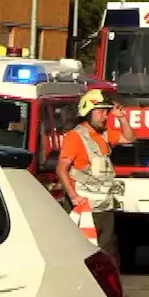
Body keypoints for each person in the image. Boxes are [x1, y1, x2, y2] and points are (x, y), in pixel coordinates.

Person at [56, 88, 135, 263]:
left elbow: (129, 138)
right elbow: (61, 169)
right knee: (83, 255)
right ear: (87, 112)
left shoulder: (104, 135)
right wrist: (73, 196)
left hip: (104, 209)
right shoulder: (75, 137)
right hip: (85, 210)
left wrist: (122, 118)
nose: (105, 116)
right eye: (100, 112)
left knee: (107, 255)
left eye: (106, 112)